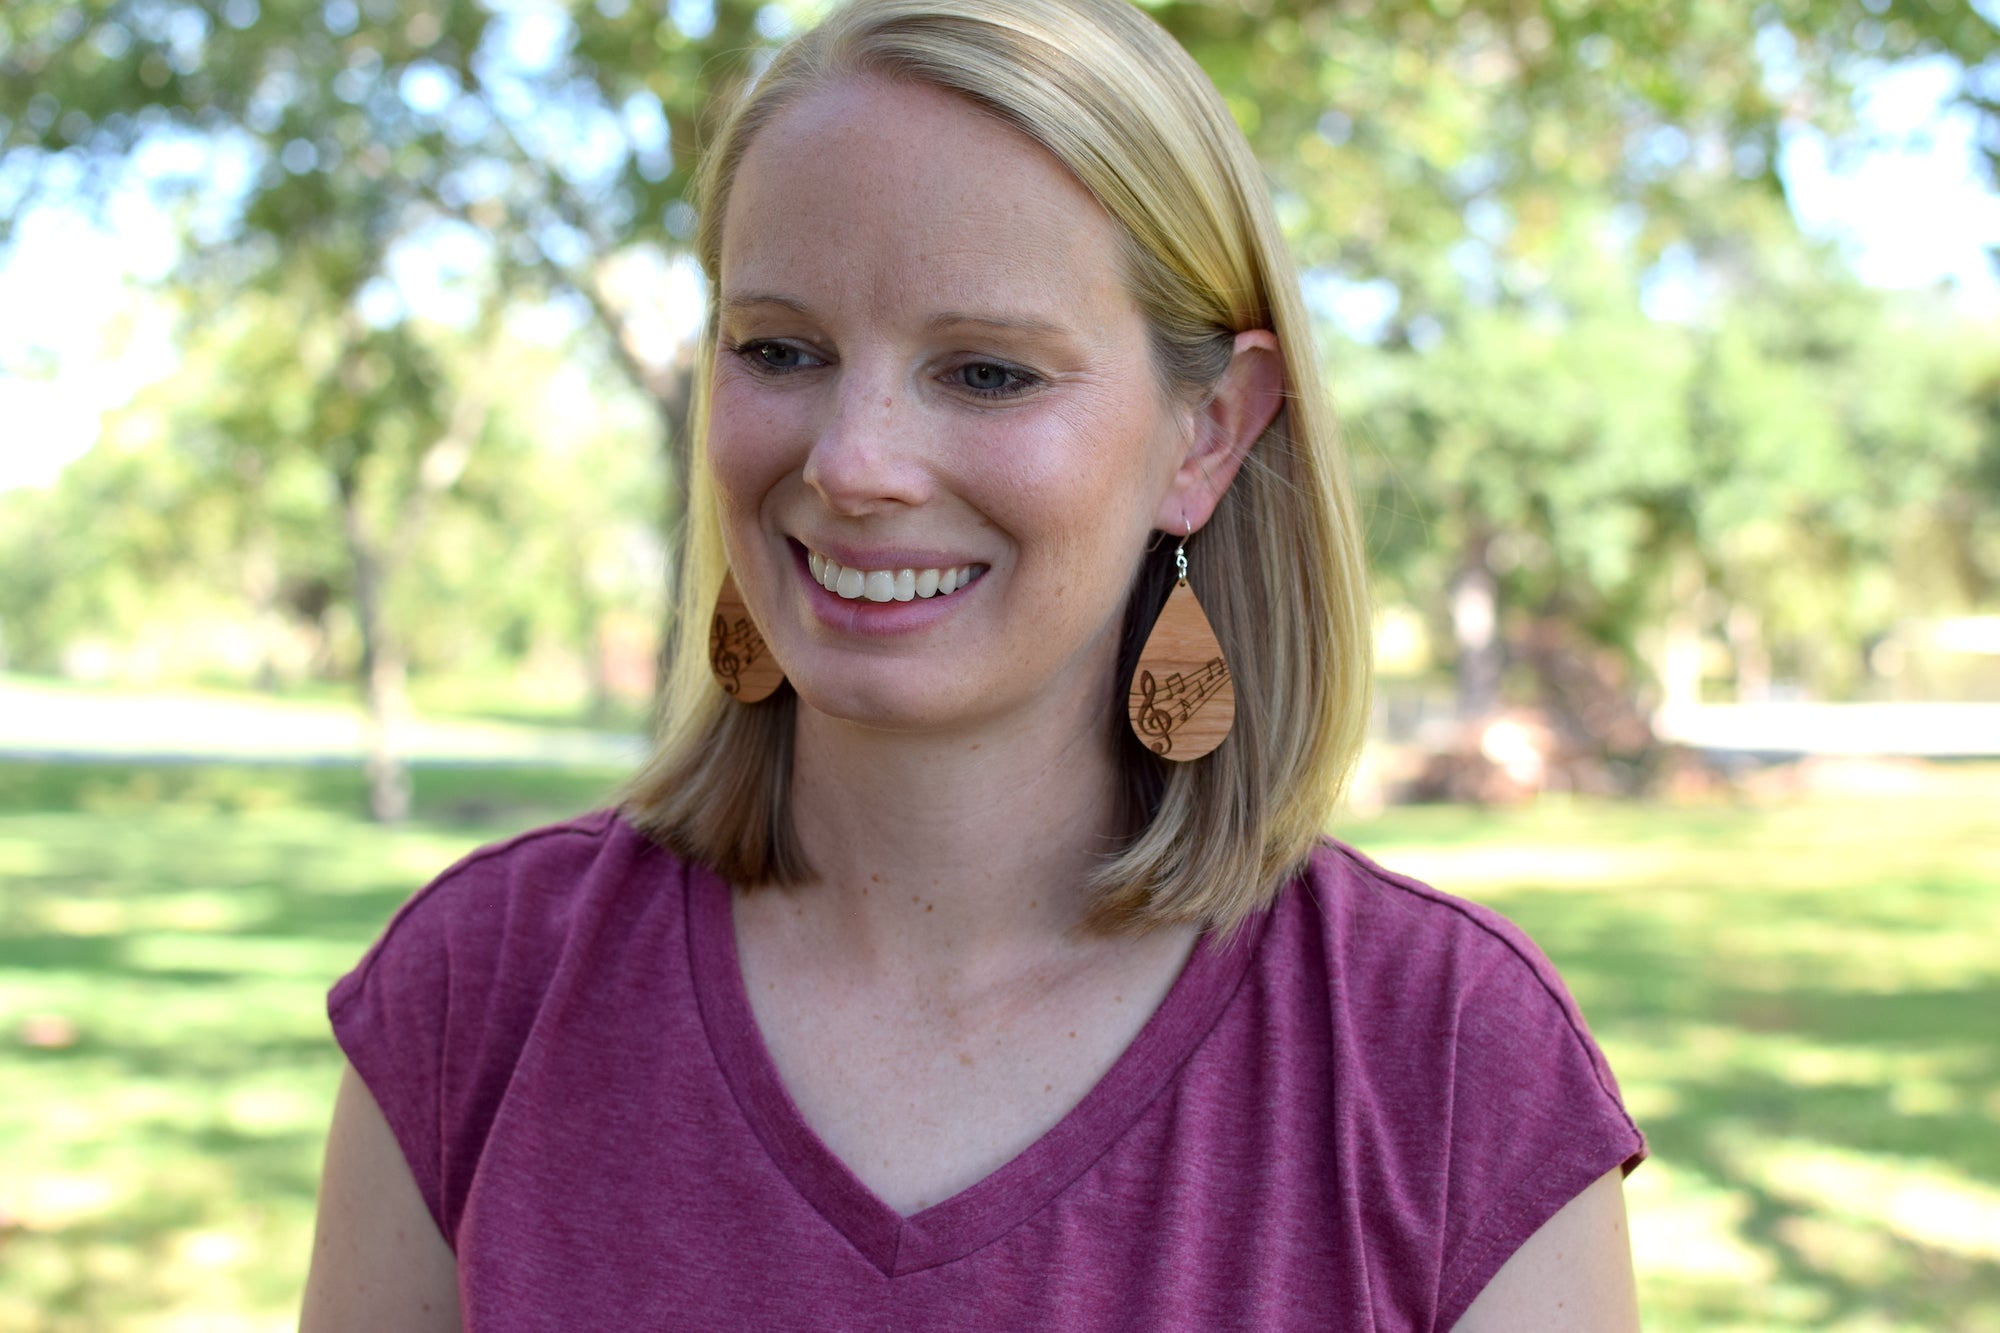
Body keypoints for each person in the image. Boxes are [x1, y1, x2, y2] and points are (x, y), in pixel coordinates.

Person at [301, 0, 1645, 1326]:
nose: (851, 462)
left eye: (988, 372)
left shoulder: (1455, 1069)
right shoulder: (473, 1000)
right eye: (780, 348)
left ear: (1210, 434)